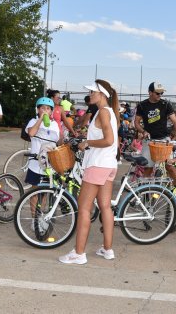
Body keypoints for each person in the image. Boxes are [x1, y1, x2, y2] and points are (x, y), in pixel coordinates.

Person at [59, 79, 119, 265]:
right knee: (105, 207)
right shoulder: (109, 112)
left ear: (102, 94)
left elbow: (108, 140)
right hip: (108, 165)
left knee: (84, 208)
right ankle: (107, 249)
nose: (90, 95)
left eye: (93, 92)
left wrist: (87, 143)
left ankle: (79, 253)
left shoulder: (102, 112)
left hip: (97, 165)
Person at [133, 82, 176, 180]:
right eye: (157, 93)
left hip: (164, 140)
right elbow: (136, 123)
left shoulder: (166, 104)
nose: (160, 95)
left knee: (169, 167)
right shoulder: (142, 105)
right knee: (148, 168)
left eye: (161, 93)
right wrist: (143, 131)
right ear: (150, 92)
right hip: (149, 141)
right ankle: (145, 194)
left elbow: (175, 121)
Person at [23, 97, 62, 189]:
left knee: (45, 192)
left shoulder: (54, 124)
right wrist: (40, 120)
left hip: (49, 164)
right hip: (35, 164)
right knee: (34, 191)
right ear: (37, 109)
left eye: (48, 108)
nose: (45, 111)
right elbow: (31, 133)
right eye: (43, 108)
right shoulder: (33, 121)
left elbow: (58, 142)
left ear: (51, 111)